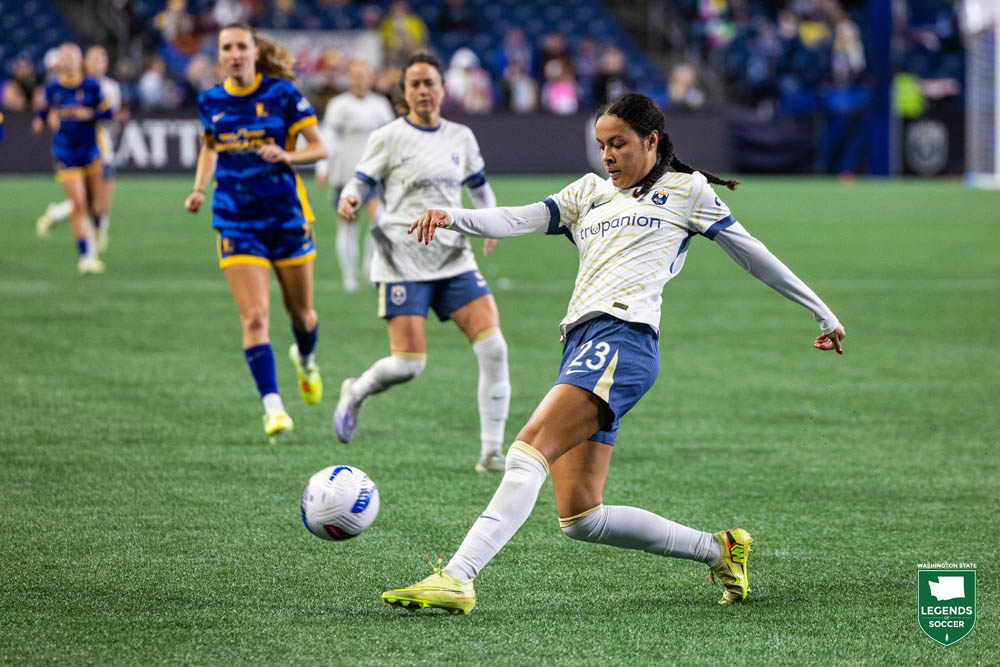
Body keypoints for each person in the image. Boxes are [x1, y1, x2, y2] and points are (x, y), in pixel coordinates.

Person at [384, 92, 846, 613]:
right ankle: (719, 549)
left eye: (619, 144)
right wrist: (452, 216)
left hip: (624, 339)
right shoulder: (589, 193)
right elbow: (518, 219)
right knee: (581, 516)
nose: (607, 155)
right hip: (581, 344)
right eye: (602, 144)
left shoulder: (686, 190)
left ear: (651, 141)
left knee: (528, 449)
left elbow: (752, 253)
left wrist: (822, 312)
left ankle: (458, 577)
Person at [334, 52, 511, 474]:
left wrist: (491, 222)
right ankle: (356, 391)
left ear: (443, 89)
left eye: (430, 82)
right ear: (404, 92)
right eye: (414, 84)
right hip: (402, 260)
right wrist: (349, 198)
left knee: (494, 348)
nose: (423, 90)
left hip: (453, 257)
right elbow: (360, 181)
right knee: (409, 365)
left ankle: (491, 452)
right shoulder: (388, 137)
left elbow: (479, 188)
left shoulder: (461, 137)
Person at [183, 23, 327, 437]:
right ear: (220, 55)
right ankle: (273, 408)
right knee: (255, 316)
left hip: (287, 217)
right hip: (236, 219)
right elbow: (210, 146)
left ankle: (306, 360)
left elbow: (320, 147)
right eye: (226, 47)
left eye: (241, 46)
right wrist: (199, 188)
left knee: (302, 316)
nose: (234, 54)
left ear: (254, 52)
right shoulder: (211, 100)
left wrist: (286, 155)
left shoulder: (282, 94)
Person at [31, 43, 112, 274]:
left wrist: (90, 115)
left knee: (97, 206)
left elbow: (108, 114)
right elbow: (43, 110)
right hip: (65, 153)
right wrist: (39, 121)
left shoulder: (91, 86)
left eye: (72, 56)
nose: (67, 61)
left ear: (80, 60)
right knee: (78, 204)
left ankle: (75, 219)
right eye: (64, 57)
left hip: (91, 153)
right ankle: (86, 256)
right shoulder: (53, 87)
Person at [316, 59, 395, 292]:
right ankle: (349, 275)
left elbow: (392, 138)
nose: (360, 80)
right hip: (347, 173)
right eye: (356, 75)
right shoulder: (339, 105)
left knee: (378, 219)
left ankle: (369, 266)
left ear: (371, 78)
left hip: (374, 173)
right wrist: (323, 167)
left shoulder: (380, 105)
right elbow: (329, 138)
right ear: (349, 78)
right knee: (348, 224)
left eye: (364, 75)